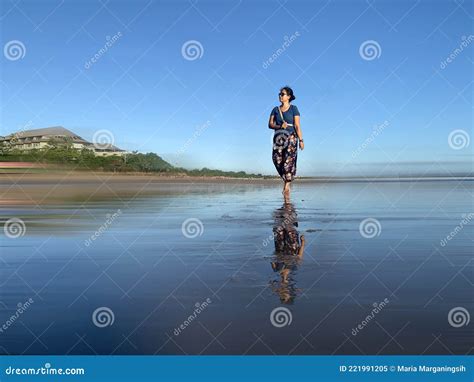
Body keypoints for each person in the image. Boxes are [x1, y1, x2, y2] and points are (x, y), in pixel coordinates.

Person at [268, 86, 304, 198]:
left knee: (288, 161)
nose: (280, 95)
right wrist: (279, 126)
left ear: (288, 96)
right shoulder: (275, 109)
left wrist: (301, 140)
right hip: (279, 137)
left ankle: (286, 185)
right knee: (277, 160)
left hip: (291, 137)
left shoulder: (294, 108)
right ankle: (286, 178)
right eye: (279, 94)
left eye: (282, 94)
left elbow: (297, 125)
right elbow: (270, 124)